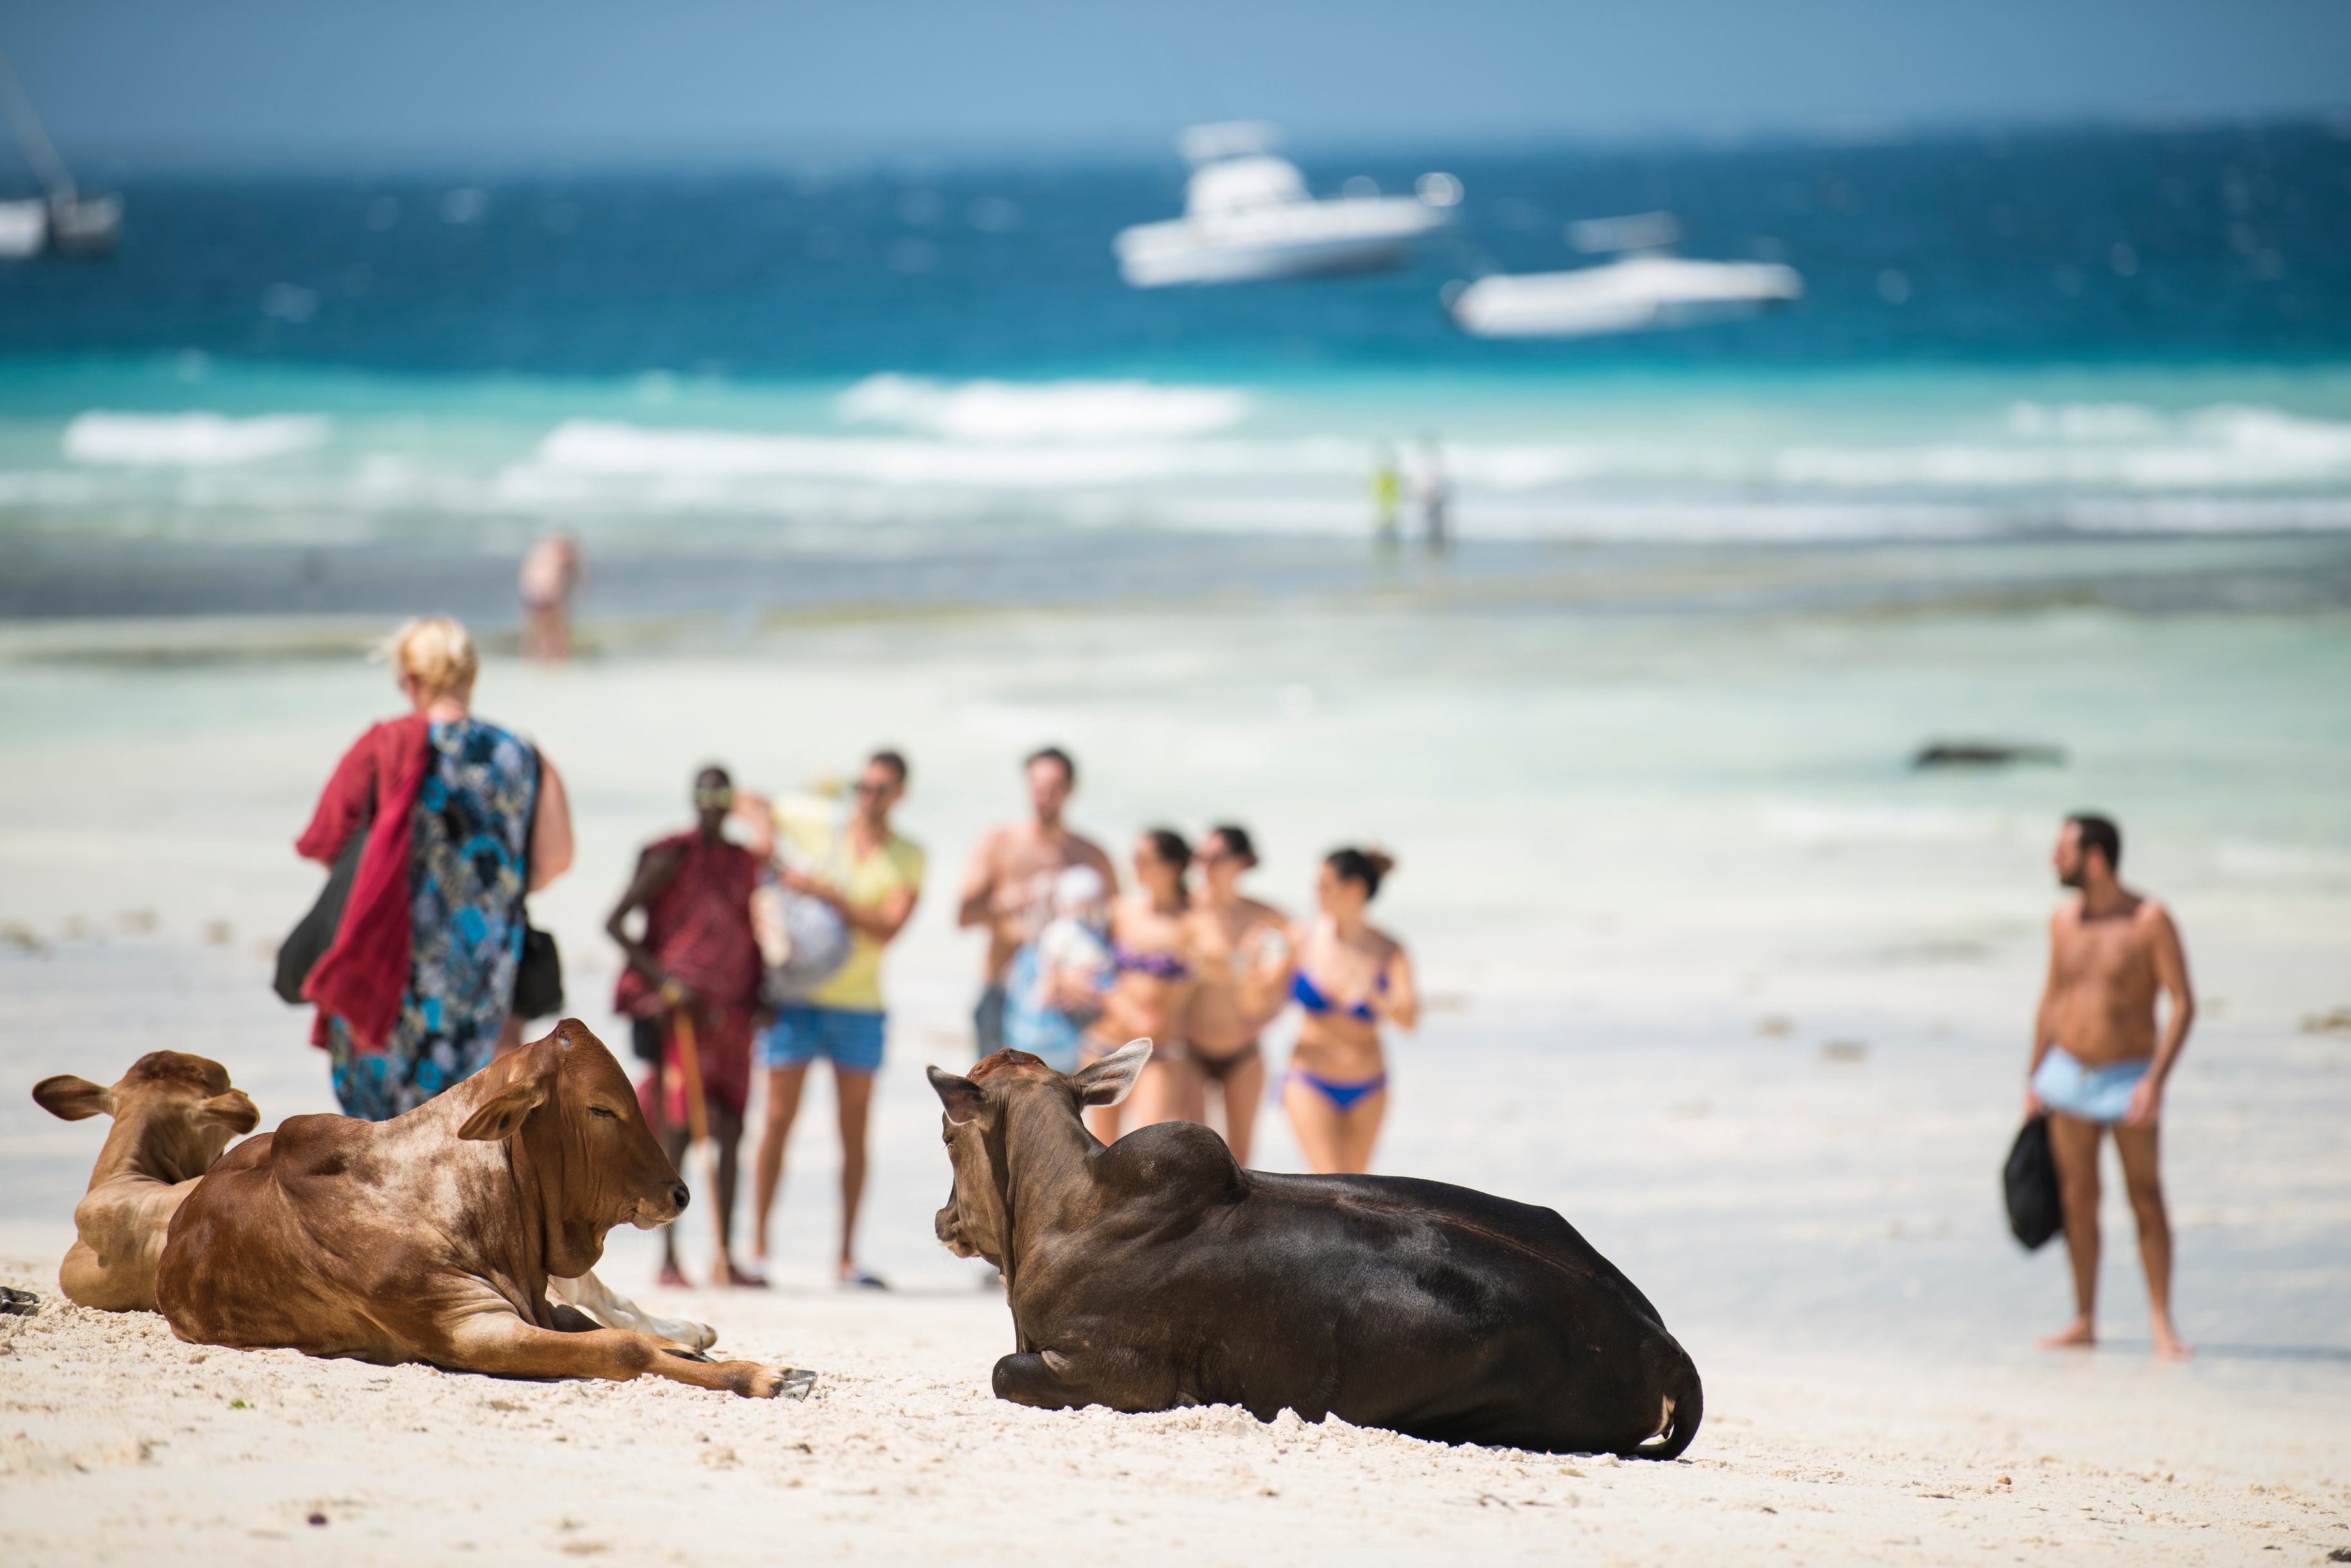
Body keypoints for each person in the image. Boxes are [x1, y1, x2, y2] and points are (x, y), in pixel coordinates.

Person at [297, 617, 574, 1121]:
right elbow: (557, 860)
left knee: (384, 1144)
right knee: (453, 1132)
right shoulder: (523, 755)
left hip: (393, 965)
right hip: (483, 974)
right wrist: (490, 895)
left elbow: (324, 841)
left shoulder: (385, 746)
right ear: (473, 675)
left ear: (411, 679)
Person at [747, 751, 924, 1290]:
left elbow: (888, 928)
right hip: (794, 997)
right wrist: (763, 839)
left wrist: (823, 891)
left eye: (880, 789)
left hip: (859, 1005)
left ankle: (846, 1258)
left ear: (900, 795)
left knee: (854, 1132)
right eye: (862, 786)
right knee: (777, 1122)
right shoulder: (823, 821)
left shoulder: (908, 855)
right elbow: (749, 799)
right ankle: (754, 1251)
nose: (867, 796)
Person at [2027, 813, 2196, 1359]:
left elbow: (2183, 1003)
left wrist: (2156, 1080)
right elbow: (2051, 1002)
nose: (2054, 860)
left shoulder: (2149, 920)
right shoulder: (2062, 922)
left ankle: (2161, 1325)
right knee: (2079, 1200)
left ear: (2093, 858)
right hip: (2068, 1077)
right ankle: (2084, 1320)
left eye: (2063, 851)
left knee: (2145, 1197)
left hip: (2129, 1080)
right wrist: (2035, 1079)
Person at [609, 766, 764, 1289]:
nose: (713, 803)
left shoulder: (745, 862)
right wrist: (665, 982)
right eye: (705, 793)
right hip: (684, 1017)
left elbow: (752, 924)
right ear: (694, 798)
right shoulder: (673, 856)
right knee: (676, 1130)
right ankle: (670, 1256)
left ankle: (726, 1254)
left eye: (722, 793)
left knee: (733, 1131)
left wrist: (761, 991)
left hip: (733, 1015)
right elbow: (617, 922)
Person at [957, 747, 1117, 1054]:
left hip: (1072, 1000)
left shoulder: (1092, 856)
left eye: (1053, 786)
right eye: (1036, 785)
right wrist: (1012, 901)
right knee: (992, 1101)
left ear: (1070, 789)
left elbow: (1115, 930)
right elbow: (965, 917)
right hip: (1004, 992)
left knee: (1068, 1101)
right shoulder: (1000, 843)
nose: (1043, 794)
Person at [1283, 848, 1418, 1175]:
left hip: (1369, 1085)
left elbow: (1410, 1019)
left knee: (1357, 1190)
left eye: (1324, 885)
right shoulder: (1301, 938)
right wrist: (1254, 972)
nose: (1315, 894)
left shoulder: (1388, 948)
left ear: (1354, 889)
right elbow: (1257, 1000)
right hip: (1309, 1079)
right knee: (1333, 1188)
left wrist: (1374, 996)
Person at [1179, 825, 1293, 1167]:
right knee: (1193, 1160)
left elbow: (1295, 975)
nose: (1205, 865)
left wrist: (1268, 1018)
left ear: (1241, 863)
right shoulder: (1184, 910)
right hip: (1189, 1050)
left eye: (1215, 858)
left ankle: (1238, 1224)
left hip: (1245, 1051)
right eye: (1200, 857)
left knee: (1242, 1165)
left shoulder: (1268, 916)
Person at [1087, 829, 1200, 1145]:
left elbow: (1224, 970)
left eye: (1143, 859)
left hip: (1159, 1052)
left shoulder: (1195, 921)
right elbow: (1093, 968)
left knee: (1146, 1151)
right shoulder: (1120, 910)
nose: (1134, 865)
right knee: (1097, 1154)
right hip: (1104, 1044)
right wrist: (1125, 1008)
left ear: (1173, 868)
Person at [1002, 864, 1112, 1073]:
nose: (1083, 912)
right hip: (1058, 1033)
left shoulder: (1058, 935)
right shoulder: (1061, 936)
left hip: (1069, 1033)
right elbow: (1045, 994)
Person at [518, 531, 585, 661]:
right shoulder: (559, 555)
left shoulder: (538, 553)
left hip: (532, 594)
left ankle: (531, 658)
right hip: (547, 595)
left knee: (535, 630)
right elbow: (573, 576)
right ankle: (554, 659)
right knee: (554, 631)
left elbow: (526, 577)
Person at [1371, 445, 1403, 546]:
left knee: (1388, 522)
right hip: (1386, 502)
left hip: (1388, 502)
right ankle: (1386, 543)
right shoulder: (1386, 473)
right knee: (1385, 523)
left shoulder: (1386, 473)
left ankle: (1386, 543)